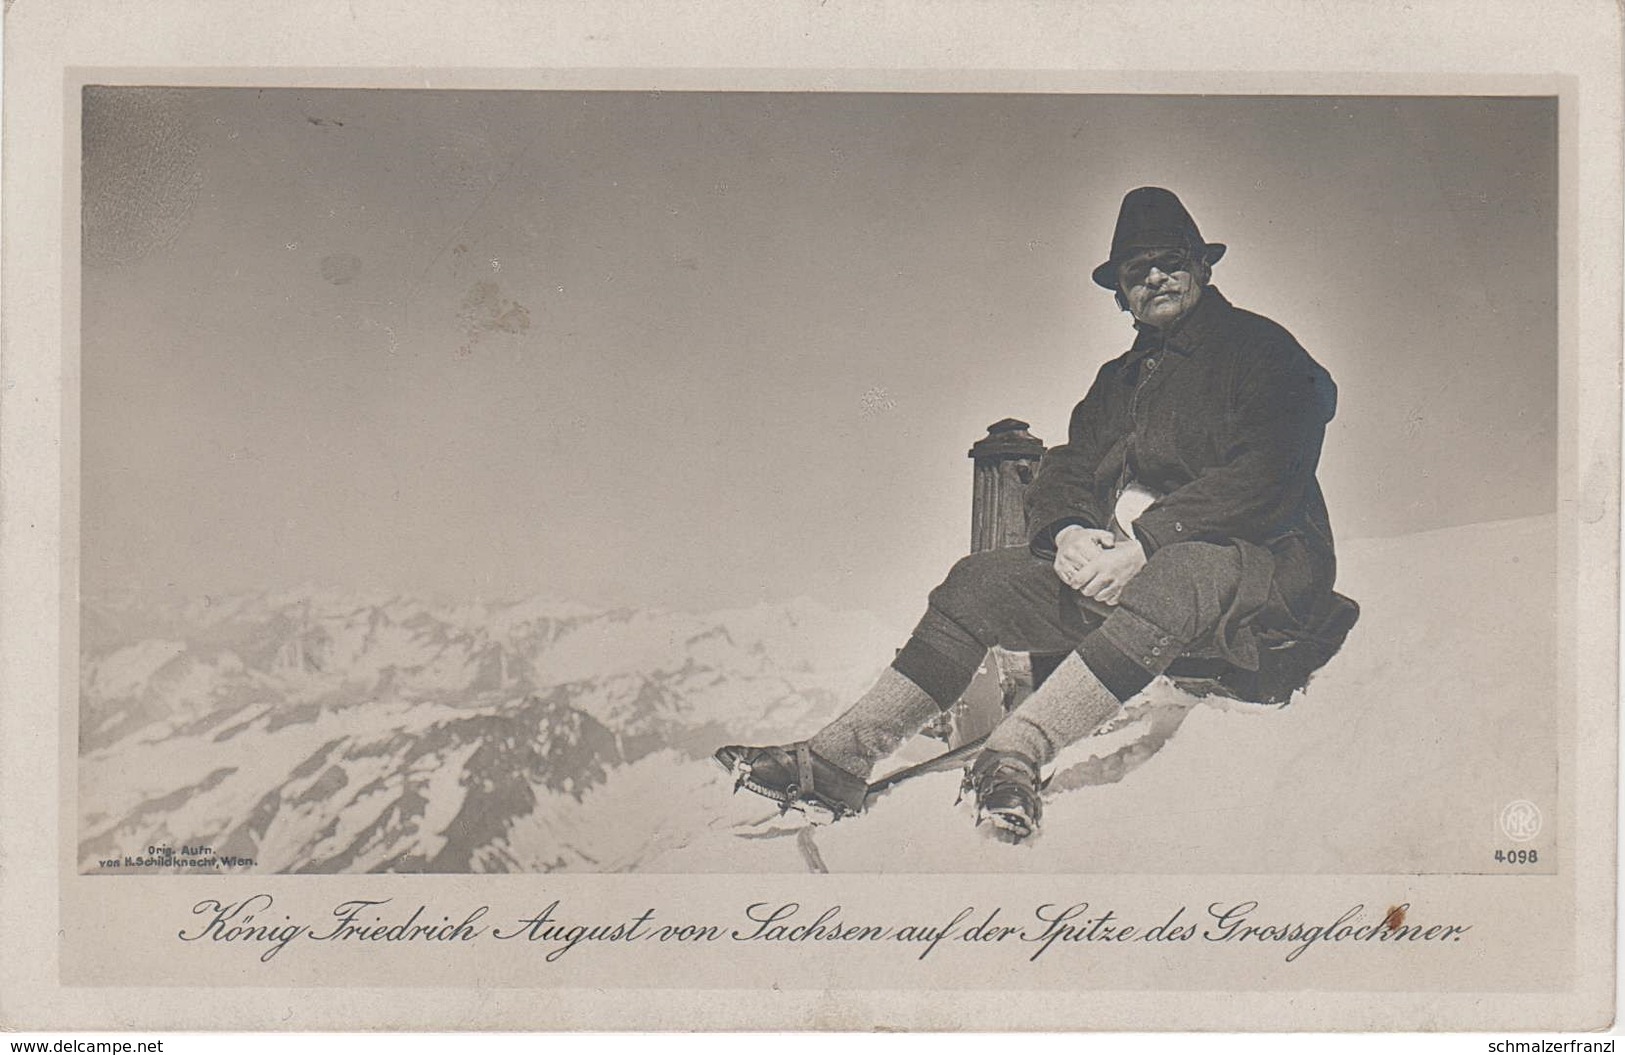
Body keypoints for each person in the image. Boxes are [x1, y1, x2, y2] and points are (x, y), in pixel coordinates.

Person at [715, 187, 1357, 841]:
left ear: (1202, 266)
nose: (1154, 278)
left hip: (1270, 570)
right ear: (1120, 292)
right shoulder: (1126, 378)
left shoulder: (1260, 350)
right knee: (976, 583)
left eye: (1169, 261)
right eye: (1136, 271)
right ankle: (835, 760)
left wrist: (1145, 542)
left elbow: (1268, 472)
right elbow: (1073, 465)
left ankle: (1013, 755)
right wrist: (1070, 530)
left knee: (1178, 568)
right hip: (1170, 577)